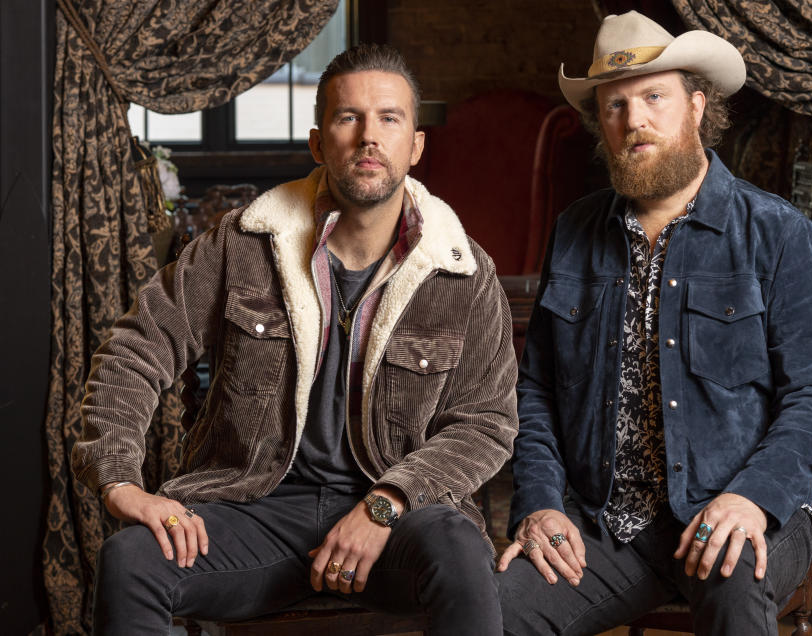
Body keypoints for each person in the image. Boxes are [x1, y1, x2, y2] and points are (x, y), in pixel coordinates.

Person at [72, 43, 517, 635]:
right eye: (347, 117)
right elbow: (136, 349)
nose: (368, 137)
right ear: (317, 143)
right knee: (129, 562)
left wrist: (387, 504)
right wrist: (120, 480)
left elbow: (486, 422)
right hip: (252, 510)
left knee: (462, 551)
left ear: (416, 146)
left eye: (389, 118)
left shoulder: (463, 272)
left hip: (395, 522)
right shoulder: (244, 242)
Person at [496, 11, 812, 635]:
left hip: (742, 508)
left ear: (696, 105)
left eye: (653, 97)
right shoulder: (575, 232)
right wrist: (541, 505)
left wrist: (753, 497)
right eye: (614, 106)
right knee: (491, 612)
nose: (633, 120)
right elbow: (538, 394)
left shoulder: (776, 233)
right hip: (609, 522)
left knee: (734, 581)